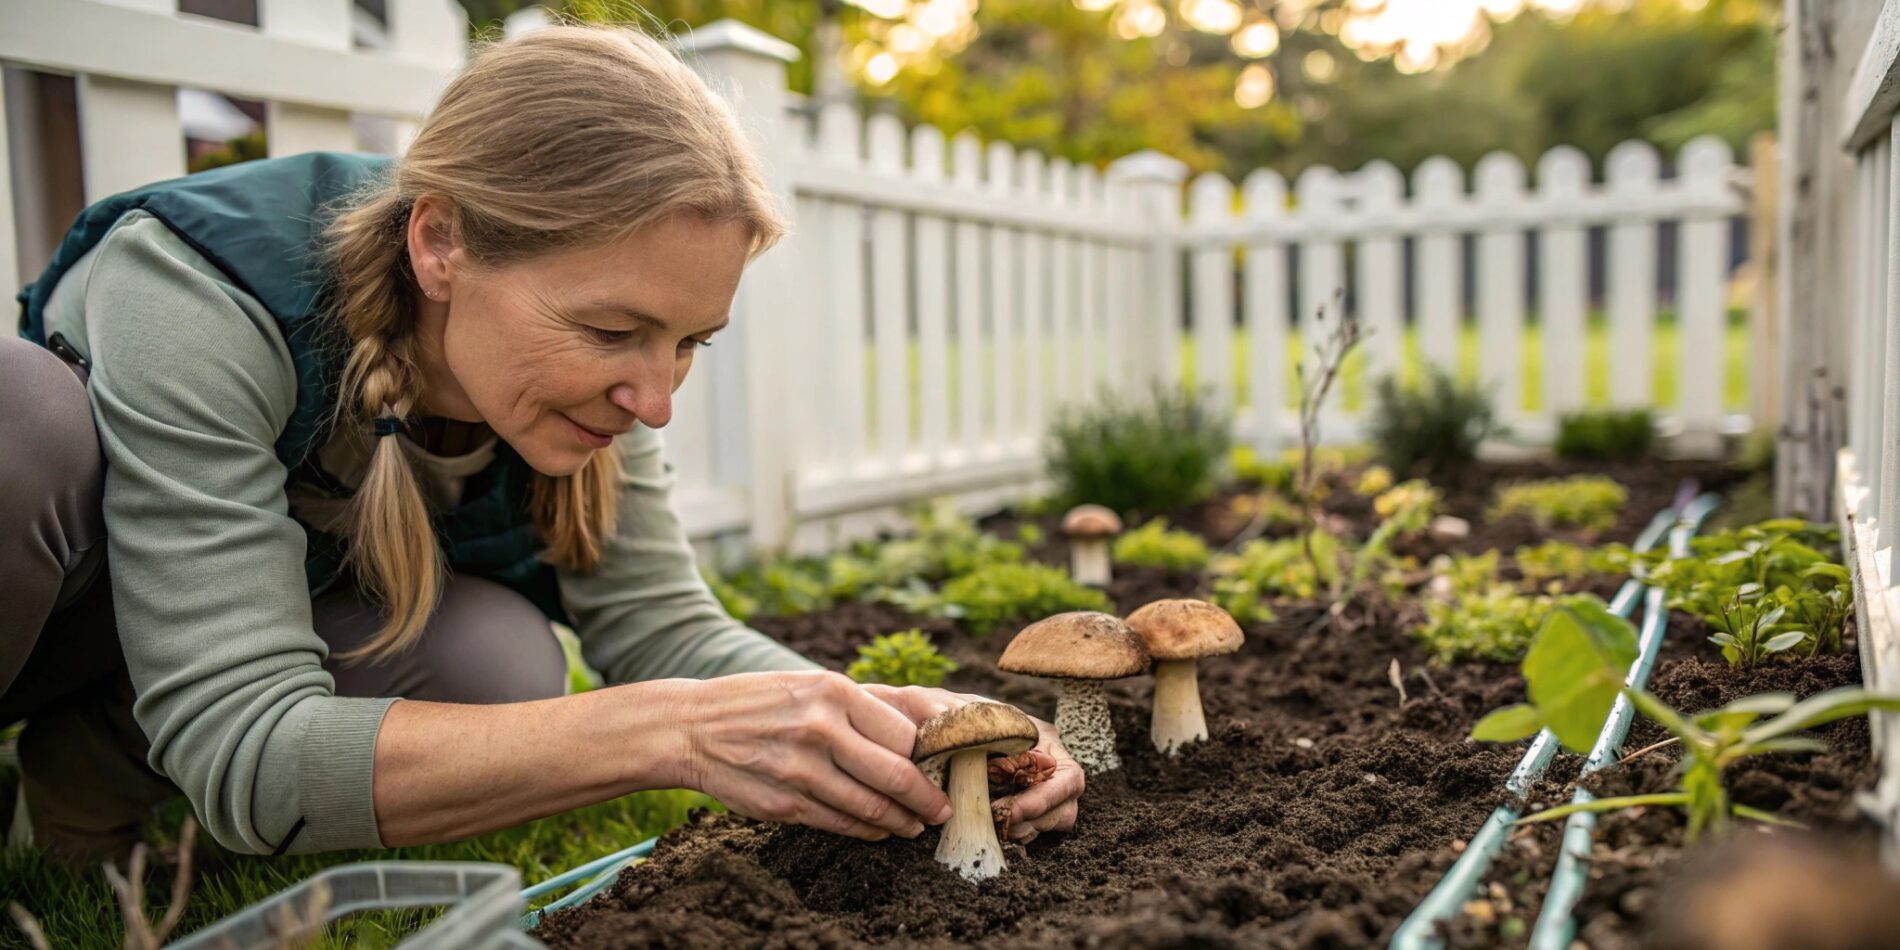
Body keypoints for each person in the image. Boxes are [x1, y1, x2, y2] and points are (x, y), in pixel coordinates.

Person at [0, 24, 1082, 861]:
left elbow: (667, 634)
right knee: (19, 425)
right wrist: (677, 732)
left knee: (499, 665)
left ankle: (82, 773)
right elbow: (253, 757)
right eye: (614, 332)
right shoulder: (202, 292)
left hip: (186, 643)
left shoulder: (572, 384)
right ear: (439, 242)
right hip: (53, 608)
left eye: (688, 341)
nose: (654, 400)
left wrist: (902, 725)